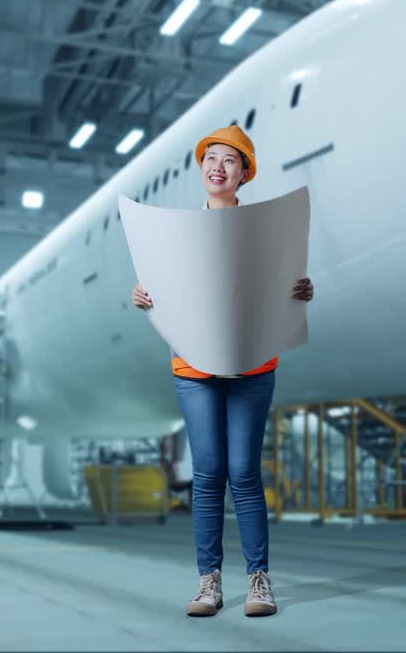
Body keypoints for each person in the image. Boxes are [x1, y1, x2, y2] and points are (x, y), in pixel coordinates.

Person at [130, 124, 313, 618]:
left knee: (244, 474)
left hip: (253, 365)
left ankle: (259, 582)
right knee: (208, 475)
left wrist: (299, 292)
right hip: (193, 369)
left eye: (230, 160)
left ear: (244, 174)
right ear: (202, 169)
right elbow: (166, 289)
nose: (218, 166)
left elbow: (282, 283)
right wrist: (144, 296)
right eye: (211, 157)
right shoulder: (176, 234)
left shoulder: (267, 229)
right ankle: (209, 583)